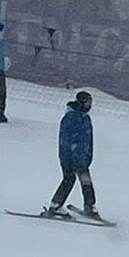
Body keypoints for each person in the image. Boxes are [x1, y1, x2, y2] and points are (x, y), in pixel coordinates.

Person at [44, 90, 100, 219]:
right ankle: (56, 205)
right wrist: (76, 157)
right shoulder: (73, 117)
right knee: (70, 178)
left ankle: (89, 206)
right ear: (80, 103)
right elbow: (71, 140)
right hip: (72, 157)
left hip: (80, 157)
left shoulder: (82, 116)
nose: (89, 106)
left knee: (85, 180)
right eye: (87, 103)